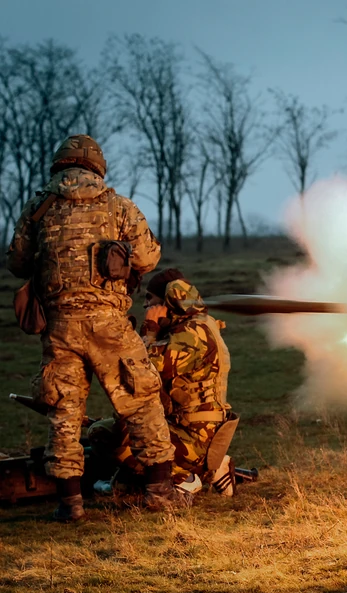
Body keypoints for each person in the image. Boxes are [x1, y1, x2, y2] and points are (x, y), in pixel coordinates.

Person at [6, 134, 176, 521]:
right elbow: (148, 257)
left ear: (58, 166)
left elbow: (16, 264)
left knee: (63, 412)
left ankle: (70, 505)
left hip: (60, 327)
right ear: (97, 168)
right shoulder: (118, 206)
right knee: (141, 401)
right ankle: (159, 493)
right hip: (109, 324)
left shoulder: (38, 209)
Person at [141, 269, 237, 498]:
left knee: (120, 437)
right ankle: (212, 470)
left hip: (195, 438)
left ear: (167, 301)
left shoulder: (192, 333)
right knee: (106, 434)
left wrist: (150, 329)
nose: (145, 305)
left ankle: (188, 478)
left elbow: (145, 373)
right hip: (187, 429)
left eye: (150, 299)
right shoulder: (189, 327)